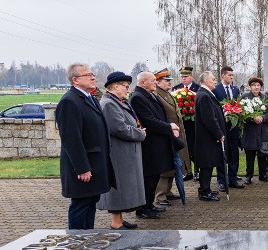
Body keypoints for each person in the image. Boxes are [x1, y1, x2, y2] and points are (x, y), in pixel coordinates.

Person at [55, 63, 114, 229]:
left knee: (90, 202)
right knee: (80, 205)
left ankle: (88, 240)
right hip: (83, 167)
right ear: (75, 80)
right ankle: (77, 244)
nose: (93, 77)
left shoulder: (89, 98)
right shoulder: (70, 101)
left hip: (95, 163)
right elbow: (71, 139)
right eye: (87, 75)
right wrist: (82, 168)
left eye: (92, 74)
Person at [97, 72, 145, 230]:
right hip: (118, 154)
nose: (127, 89)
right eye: (125, 86)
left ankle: (120, 219)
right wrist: (141, 133)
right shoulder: (109, 104)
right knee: (118, 189)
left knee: (124, 188)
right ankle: (116, 223)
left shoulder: (118, 101)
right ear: (115, 86)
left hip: (125, 152)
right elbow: (119, 128)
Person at [130, 72, 180, 219]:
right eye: (152, 81)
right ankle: (143, 209)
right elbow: (148, 121)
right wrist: (169, 127)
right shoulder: (138, 97)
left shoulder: (150, 94)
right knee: (149, 178)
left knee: (154, 177)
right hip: (150, 144)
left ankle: (149, 205)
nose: (155, 83)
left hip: (158, 142)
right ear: (143, 82)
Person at [153, 68, 189, 205]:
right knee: (166, 167)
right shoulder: (158, 95)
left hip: (175, 133)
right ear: (158, 82)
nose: (169, 83)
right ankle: (160, 195)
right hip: (168, 133)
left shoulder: (167, 94)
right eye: (166, 81)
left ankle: (167, 191)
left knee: (173, 165)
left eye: (169, 81)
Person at [194, 71, 225, 201]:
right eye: (213, 79)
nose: (215, 81)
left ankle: (206, 189)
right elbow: (209, 119)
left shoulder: (205, 94)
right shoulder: (204, 95)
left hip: (208, 137)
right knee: (206, 164)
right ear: (206, 81)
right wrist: (219, 134)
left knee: (208, 163)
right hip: (207, 138)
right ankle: (204, 191)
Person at [213, 66, 244, 190]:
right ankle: (222, 180)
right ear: (222, 76)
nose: (231, 77)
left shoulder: (235, 89)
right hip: (222, 125)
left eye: (232, 75)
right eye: (229, 75)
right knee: (222, 151)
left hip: (233, 126)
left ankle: (232, 177)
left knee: (234, 152)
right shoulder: (216, 89)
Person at [240, 77, 268, 184]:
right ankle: (248, 176)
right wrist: (252, 118)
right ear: (250, 87)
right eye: (254, 85)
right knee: (250, 155)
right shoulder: (245, 98)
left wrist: (262, 118)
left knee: (263, 154)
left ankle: (263, 175)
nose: (256, 87)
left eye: (258, 85)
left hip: (263, 130)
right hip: (250, 131)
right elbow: (241, 113)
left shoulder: (266, 98)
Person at [172, 67, 200, 181]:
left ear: (191, 76)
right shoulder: (176, 88)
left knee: (195, 148)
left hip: (194, 123)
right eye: (182, 77)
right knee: (185, 149)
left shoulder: (197, 88)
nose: (184, 79)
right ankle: (187, 171)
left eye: (186, 76)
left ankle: (197, 171)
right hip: (182, 124)